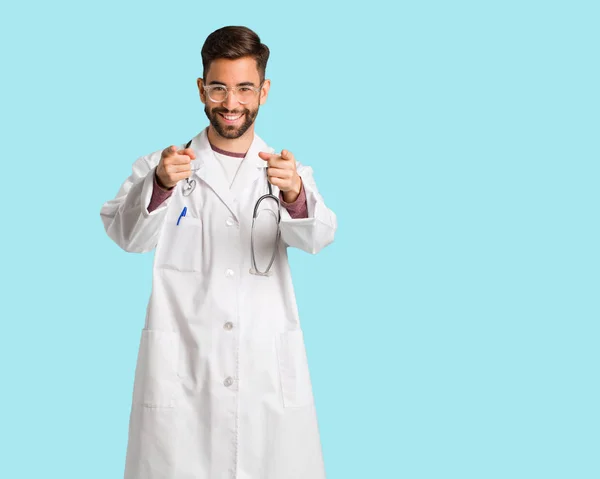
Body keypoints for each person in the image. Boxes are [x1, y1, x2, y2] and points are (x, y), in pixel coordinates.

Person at [100, 26, 337, 479]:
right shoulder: (163, 165)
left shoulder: (288, 171)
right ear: (201, 89)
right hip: (183, 377)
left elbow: (319, 237)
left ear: (264, 91)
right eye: (219, 88)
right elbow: (126, 236)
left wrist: (295, 197)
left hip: (265, 377)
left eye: (245, 88)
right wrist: (160, 186)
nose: (231, 103)